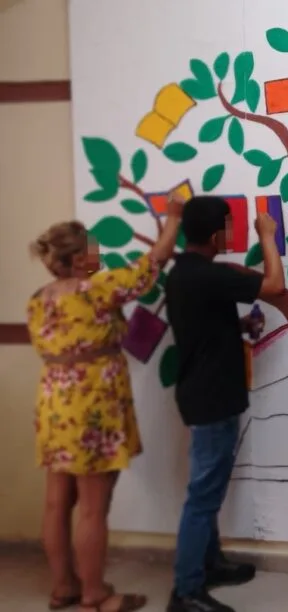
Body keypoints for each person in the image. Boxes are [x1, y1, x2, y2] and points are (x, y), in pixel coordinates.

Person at [27, 195, 183, 612]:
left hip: (54, 405)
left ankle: (64, 588)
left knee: (57, 501)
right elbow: (152, 265)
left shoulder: (40, 298)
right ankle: (95, 596)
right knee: (94, 508)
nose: (99, 254)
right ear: (79, 258)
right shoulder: (97, 287)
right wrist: (173, 219)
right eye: (93, 249)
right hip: (91, 406)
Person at [164, 197, 285, 612]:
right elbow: (274, 286)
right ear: (216, 234)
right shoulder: (210, 274)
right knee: (203, 494)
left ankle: (207, 563)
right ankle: (185, 590)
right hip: (212, 396)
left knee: (207, 488)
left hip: (201, 391)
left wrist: (238, 326)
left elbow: (200, 322)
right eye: (229, 228)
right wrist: (267, 237)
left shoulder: (183, 273)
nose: (233, 235)